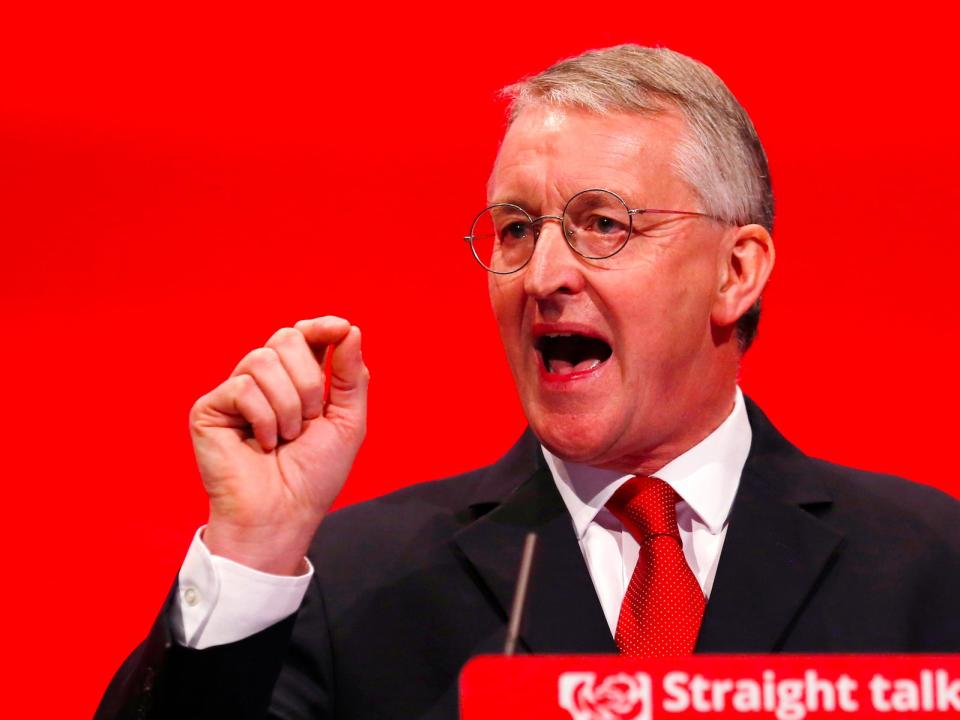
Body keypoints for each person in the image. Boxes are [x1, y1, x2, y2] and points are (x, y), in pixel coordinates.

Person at [96, 45, 960, 720]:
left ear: (736, 270)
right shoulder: (352, 586)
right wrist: (250, 553)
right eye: (515, 229)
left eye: (602, 224)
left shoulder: (931, 569)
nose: (542, 273)